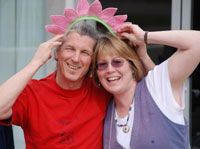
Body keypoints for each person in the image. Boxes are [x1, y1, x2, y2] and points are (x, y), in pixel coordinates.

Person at [92, 24, 200, 149]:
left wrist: (145, 37)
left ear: (133, 66)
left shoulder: (156, 87)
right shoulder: (105, 108)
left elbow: (197, 42)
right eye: (102, 64)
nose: (110, 70)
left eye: (117, 62)